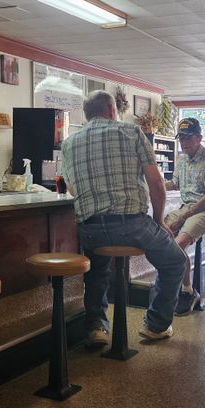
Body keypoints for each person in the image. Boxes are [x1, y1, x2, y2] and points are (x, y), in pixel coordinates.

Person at [61, 90, 185, 344]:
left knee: (96, 271)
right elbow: (157, 183)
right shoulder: (131, 133)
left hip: (90, 230)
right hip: (132, 225)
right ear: (111, 110)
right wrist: (159, 220)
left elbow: (72, 188)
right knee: (174, 261)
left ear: (87, 114)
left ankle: (96, 326)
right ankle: (156, 324)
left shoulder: (69, 143)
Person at [164, 118, 205, 315]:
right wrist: (151, 183)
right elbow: (173, 184)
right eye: (181, 138)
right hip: (187, 207)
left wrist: (184, 218)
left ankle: (186, 291)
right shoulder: (182, 161)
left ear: (199, 137)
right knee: (160, 233)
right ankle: (182, 287)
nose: (184, 143)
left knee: (178, 243)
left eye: (188, 138)